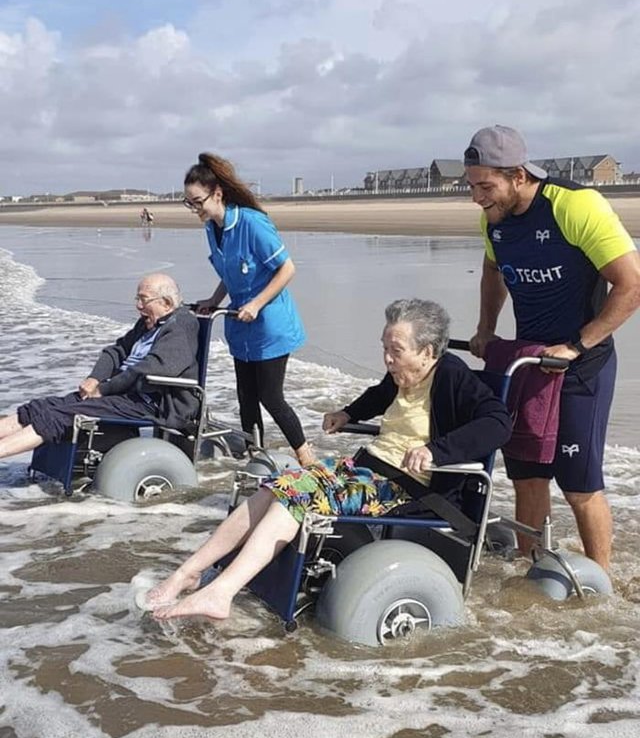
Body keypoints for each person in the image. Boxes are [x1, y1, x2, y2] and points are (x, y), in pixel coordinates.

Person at [146, 298, 512, 622]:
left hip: (403, 487)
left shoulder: (452, 376)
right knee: (273, 489)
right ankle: (189, 572)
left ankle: (221, 593)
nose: (387, 359)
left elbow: (498, 423)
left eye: (396, 350)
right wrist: (348, 413)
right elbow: (379, 394)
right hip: (367, 472)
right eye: (384, 348)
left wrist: (436, 451)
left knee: (296, 500)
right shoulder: (403, 376)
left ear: (428, 352)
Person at [464, 124, 640, 571]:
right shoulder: (495, 220)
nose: (477, 198)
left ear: (518, 175)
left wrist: (576, 346)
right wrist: (486, 327)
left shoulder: (575, 205)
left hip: (583, 365)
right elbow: (492, 269)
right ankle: (532, 572)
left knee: (578, 484)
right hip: (527, 364)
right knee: (526, 477)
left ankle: (599, 585)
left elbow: (631, 284)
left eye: (486, 186)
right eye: (472, 186)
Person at [183, 152, 313, 466]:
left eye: (197, 201)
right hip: (239, 325)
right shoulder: (211, 228)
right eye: (189, 203)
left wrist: (256, 303)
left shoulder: (253, 224)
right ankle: (254, 458)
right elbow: (230, 273)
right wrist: (214, 301)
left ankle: (307, 457)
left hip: (270, 324)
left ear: (217, 194)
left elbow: (287, 269)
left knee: (270, 396)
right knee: (246, 397)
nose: (194, 209)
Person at [0, 274, 199, 461]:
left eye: (143, 300)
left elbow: (153, 368)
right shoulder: (148, 323)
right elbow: (116, 351)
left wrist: (103, 390)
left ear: (165, 303)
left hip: (151, 401)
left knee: (57, 417)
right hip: (124, 394)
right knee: (40, 408)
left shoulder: (181, 324)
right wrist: (95, 378)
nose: (138, 306)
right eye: (137, 299)